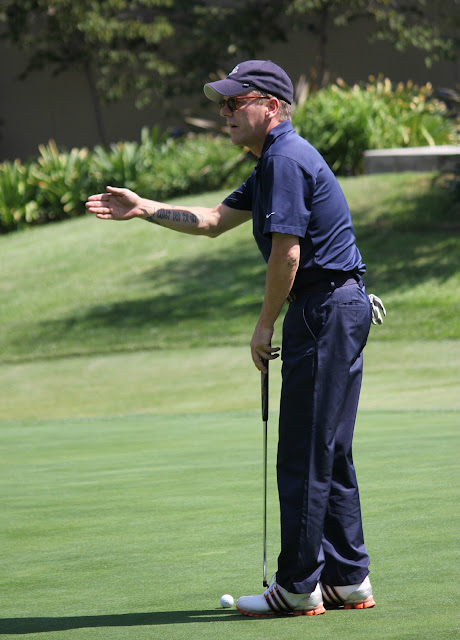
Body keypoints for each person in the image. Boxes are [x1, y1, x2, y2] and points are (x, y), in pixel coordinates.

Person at [86, 59, 385, 618]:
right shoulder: (274, 159)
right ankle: (348, 579)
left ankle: (298, 587)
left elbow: (287, 253)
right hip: (336, 308)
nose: (223, 113)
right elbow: (212, 220)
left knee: (302, 451)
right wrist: (145, 208)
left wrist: (264, 323)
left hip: (323, 310)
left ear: (270, 107)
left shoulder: (286, 160)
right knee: (328, 449)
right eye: (220, 104)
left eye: (234, 102)